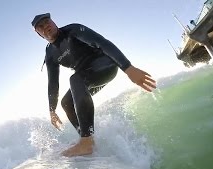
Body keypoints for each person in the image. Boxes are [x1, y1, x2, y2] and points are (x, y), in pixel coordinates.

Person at [31, 13, 156, 157]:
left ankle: (86, 142)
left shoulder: (73, 30)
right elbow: (53, 82)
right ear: (38, 33)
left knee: (74, 80)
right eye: (40, 26)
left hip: (106, 66)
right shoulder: (50, 53)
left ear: (53, 22)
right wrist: (52, 110)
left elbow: (102, 43)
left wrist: (128, 68)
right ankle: (86, 135)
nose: (45, 26)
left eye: (47, 22)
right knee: (66, 102)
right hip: (86, 76)